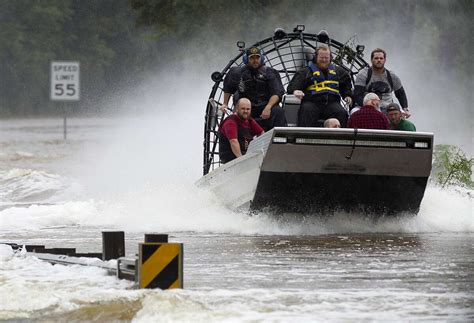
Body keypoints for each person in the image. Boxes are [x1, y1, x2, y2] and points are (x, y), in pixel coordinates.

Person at [221, 46, 286, 131]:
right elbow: (228, 88)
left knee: (278, 111)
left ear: (261, 58)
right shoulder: (237, 73)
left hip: (265, 105)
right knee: (240, 112)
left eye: (257, 57)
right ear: (246, 59)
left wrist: (268, 107)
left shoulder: (270, 72)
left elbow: (277, 93)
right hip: (247, 106)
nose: (255, 60)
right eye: (252, 58)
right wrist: (225, 103)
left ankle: (279, 139)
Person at [287, 45, 353, 128]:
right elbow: (292, 86)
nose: (324, 60)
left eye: (326, 58)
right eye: (321, 58)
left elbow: (346, 86)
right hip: (312, 102)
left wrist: (348, 95)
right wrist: (295, 91)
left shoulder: (340, 72)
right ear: (315, 57)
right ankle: (304, 137)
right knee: (306, 110)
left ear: (330, 58)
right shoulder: (305, 72)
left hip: (332, 103)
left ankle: (340, 139)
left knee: (341, 113)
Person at [354, 48, 410, 117]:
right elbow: (357, 95)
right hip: (367, 107)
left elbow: (400, 93)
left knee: (402, 117)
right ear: (372, 60)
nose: (379, 60)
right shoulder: (363, 74)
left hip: (388, 108)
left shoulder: (392, 76)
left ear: (384, 60)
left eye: (381, 58)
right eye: (376, 58)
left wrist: (405, 109)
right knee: (353, 113)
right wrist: (370, 106)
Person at [219, 98, 264, 163]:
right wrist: (242, 160)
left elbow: (262, 133)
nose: (245, 111)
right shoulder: (230, 122)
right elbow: (233, 141)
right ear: (237, 109)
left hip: (246, 154)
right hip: (231, 159)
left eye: (248, 109)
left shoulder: (249, 120)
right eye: (243, 109)